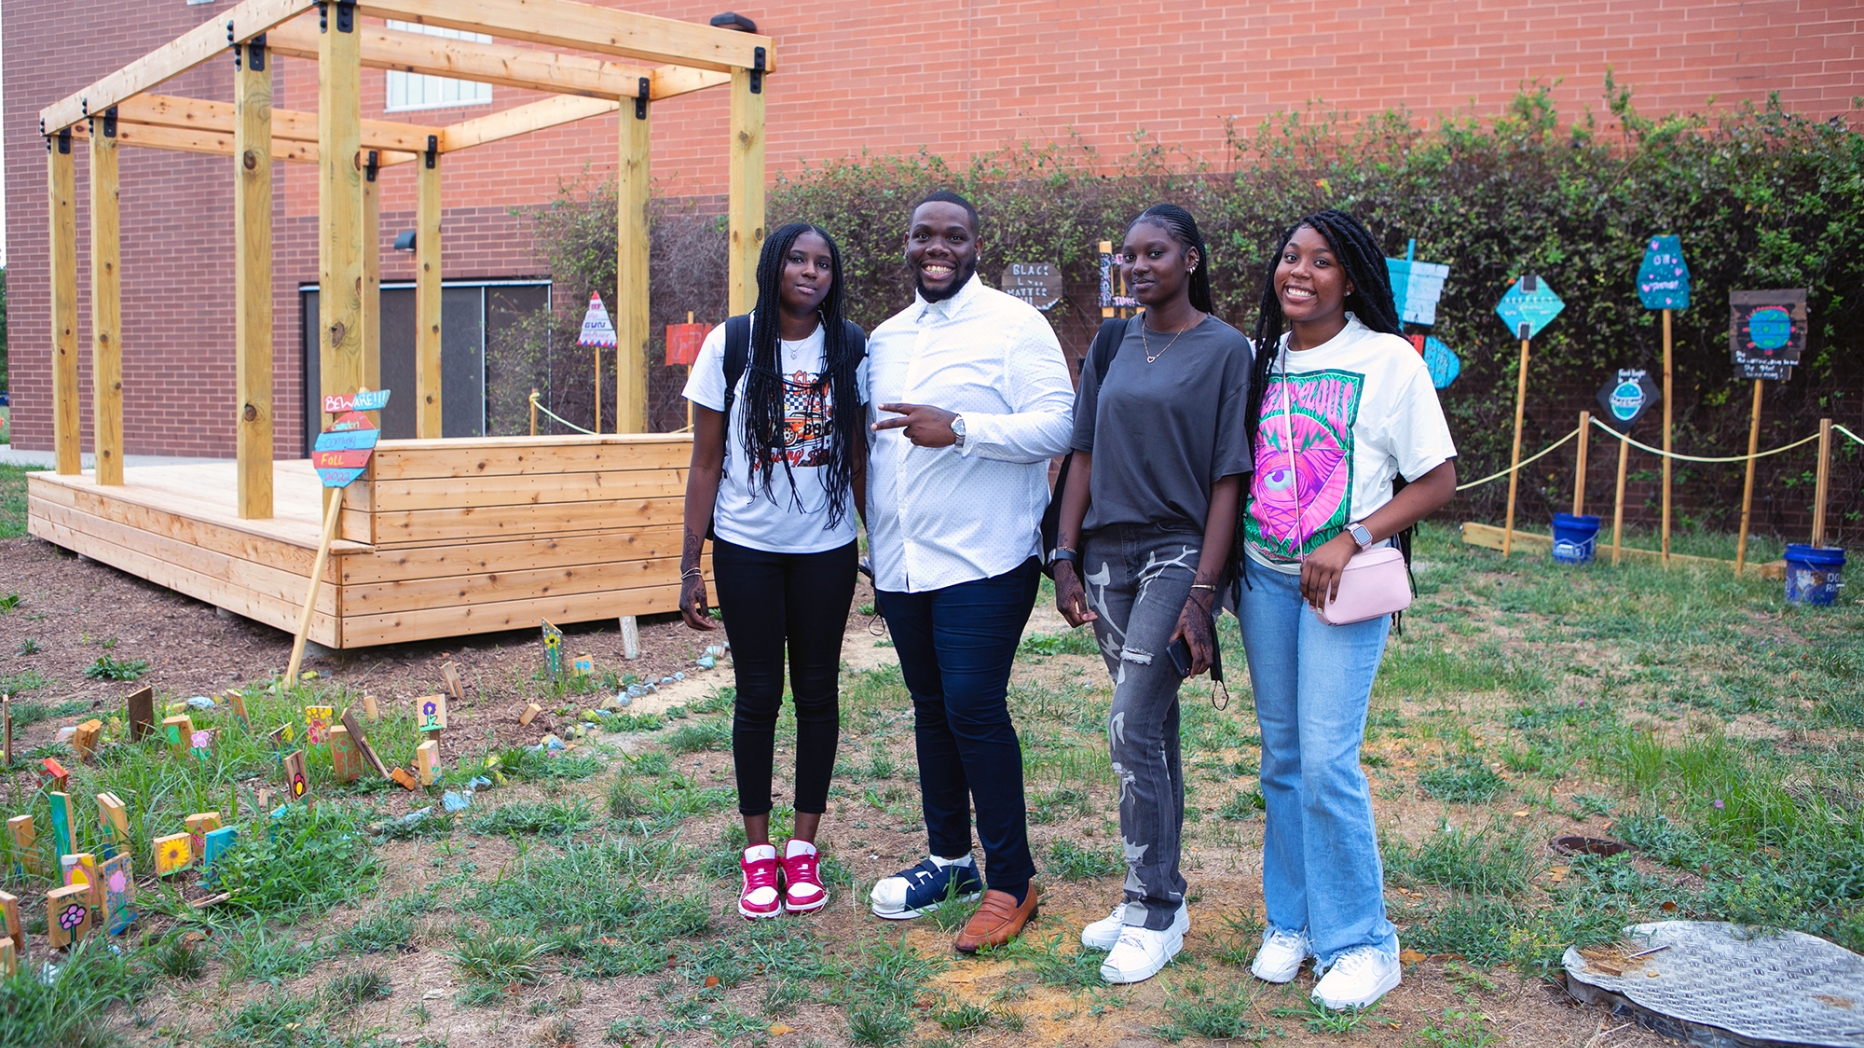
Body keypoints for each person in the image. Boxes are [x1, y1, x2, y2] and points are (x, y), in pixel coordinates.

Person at [1235, 210, 1457, 1009]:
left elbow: (1437, 480)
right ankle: (1292, 921)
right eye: (1289, 256)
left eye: (1321, 261)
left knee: (1329, 761)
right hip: (1263, 578)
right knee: (1283, 759)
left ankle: (1363, 940)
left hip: (1342, 583)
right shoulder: (1261, 359)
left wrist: (1353, 536)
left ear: (1352, 278)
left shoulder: (1388, 360)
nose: (1299, 272)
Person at [864, 190, 1076, 952]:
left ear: (976, 246)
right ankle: (950, 858)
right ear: (908, 243)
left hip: (985, 559)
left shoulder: (1016, 326)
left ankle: (1012, 880)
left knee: (975, 708)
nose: (937, 248)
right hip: (900, 564)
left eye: (953, 236)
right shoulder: (884, 339)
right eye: (923, 235)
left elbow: (1062, 422)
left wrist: (959, 429)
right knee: (931, 708)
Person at [1052, 204, 1253, 985]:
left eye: (1155, 252)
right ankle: (1151, 897)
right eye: (1127, 256)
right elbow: (1082, 451)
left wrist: (1207, 591)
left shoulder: (1226, 349)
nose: (1137, 267)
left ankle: (1155, 909)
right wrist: (1064, 557)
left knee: (1129, 722)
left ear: (1191, 259)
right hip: (1106, 555)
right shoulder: (1110, 340)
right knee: (1152, 727)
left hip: (1178, 551)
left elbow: (1229, 477)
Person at [678, 222, 868, 920]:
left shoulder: (850, 345)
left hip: (826, 548)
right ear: (773, 265)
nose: (811, 272)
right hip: (746, 547)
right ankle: (758, 855)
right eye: (798, 258)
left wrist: (881, 541)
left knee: (818, 692)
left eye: (824, 262)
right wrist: (689, 561)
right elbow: (704, 462)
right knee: (758, 696)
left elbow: (857, 455)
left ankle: (802, 847)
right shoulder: (730, 344)